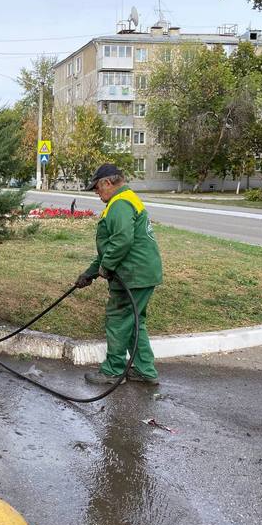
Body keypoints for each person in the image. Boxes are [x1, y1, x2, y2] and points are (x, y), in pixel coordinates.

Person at [75, 163, 163, 385]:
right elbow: (111, 246)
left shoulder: (120, 204)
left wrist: (107, 267)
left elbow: (122, 241)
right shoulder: (126, 199)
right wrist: (91, 273)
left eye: (96, 187)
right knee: (134, 322)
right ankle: (145, 370)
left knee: (118, 319)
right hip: (142, 272)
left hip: (132, 274)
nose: (96, 192)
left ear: (107, 182)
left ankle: (113, 370)